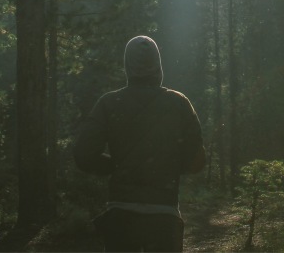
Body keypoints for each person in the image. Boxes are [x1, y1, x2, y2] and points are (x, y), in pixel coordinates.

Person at [75, 35, 206, 252]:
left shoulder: (109, 103)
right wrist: (168, 167)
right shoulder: (179, 103)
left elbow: (83, 155)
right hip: (164, 216)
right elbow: (198, 162)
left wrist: (115, 166)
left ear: (127, 67)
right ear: (159, 66)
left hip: (121, 217)